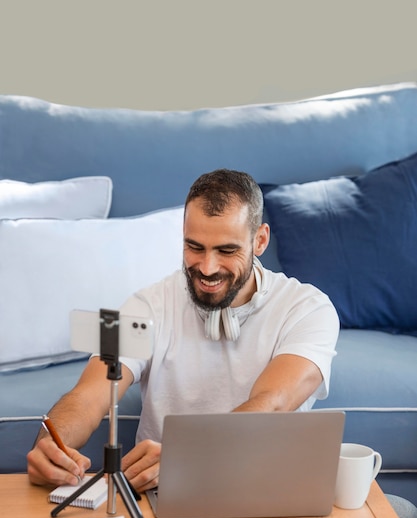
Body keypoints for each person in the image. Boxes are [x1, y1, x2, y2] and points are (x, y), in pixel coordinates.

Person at [27, 169, 340, 492]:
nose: (207, 268)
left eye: (227, 250)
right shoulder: (143, 305)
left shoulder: (310, 309)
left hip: (264, 489)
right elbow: (89, 395)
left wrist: (186, 457)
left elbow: (272, 402)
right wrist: (51, 443)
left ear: (259, 240)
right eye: (195, 246)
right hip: (163, 492)